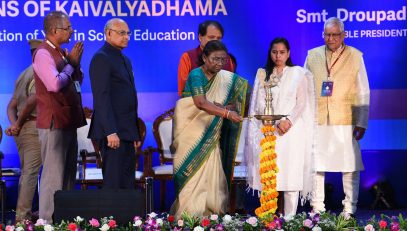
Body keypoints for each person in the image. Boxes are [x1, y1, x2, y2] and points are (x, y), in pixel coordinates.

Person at [170, 40, 247, 218]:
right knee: (193, 176)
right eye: (215, 59)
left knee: (212, 174)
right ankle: (189, 218)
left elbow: (233, 98)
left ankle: (210, 218)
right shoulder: (196, 74)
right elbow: (200, 103)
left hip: (211, 134)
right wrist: (226, 114)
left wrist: (229, 107)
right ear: (204, 57)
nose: (219, 64)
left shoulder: (224, 78)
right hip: (191, 133)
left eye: (223, 60)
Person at [305, 17, 370, 217]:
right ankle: (317, 209)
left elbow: (363, 91)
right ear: (323, 35)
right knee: (317, 164)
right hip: (318, 118)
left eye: (335, 35)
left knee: (349, 166)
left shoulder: (355, 56)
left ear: (344, 35)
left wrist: (361, 122)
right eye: (327, 34)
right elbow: (304, 88)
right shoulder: (313, 55)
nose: (331, 38)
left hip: (345, 118)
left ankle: (349, 209)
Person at [244, 37, 315, 217]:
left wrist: (288, 121)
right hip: (269, 130)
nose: (278, 56)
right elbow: (259, 104)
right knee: (270, 174)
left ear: (288, 53)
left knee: (291, 175)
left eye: (282, 52)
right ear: (270, 53)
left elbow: (302, 103)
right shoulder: (263, 74)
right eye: (275, 52)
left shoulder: (298, 73)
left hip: (292, 130)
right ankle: (269, 218)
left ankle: (290, 219)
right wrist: (276, 121)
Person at [33, 11, 85, 223]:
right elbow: (54, 84)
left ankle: (65, 220)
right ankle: (47, 221)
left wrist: (74, 64)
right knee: (53, 177)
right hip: (54, 123)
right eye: (68, 28)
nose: (71, 31)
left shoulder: (61, 53)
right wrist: (71, 63)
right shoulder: (43, 53)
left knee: (68, 175)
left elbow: (76, 79)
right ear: (55, 30)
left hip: (68, 121)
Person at [88, 18, 141, 189]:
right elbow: (101, 97)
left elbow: (128, 97)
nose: (126, 37)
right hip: (113, 133)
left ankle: (129, 217)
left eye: (128, 33)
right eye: (122, 33)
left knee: (127, 181)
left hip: (127, 132)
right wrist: (110, 131)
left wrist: (134, 133)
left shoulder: (126, 60)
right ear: (109, 33)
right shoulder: (101, 58)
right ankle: (111, 217)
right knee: (114, 182)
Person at [5, 39, 42, 222]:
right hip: (32, 128)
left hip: (22, 130)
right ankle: (22, 219)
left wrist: (14, 125)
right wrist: (18, 123)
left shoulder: (23, 73)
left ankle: (27, 215)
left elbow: (11, 105)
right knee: (30, 173)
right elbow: (32, 101)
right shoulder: (39, 72)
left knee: (28, 171)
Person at [177, 20, 236, 96]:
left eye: (219, 38)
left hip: (222, 106)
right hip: (195, 105)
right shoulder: (187, 57)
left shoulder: (228, 59)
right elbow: (183, 91)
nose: (215, 41)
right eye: (211, 37)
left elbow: (231, 90)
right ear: (200, 37)